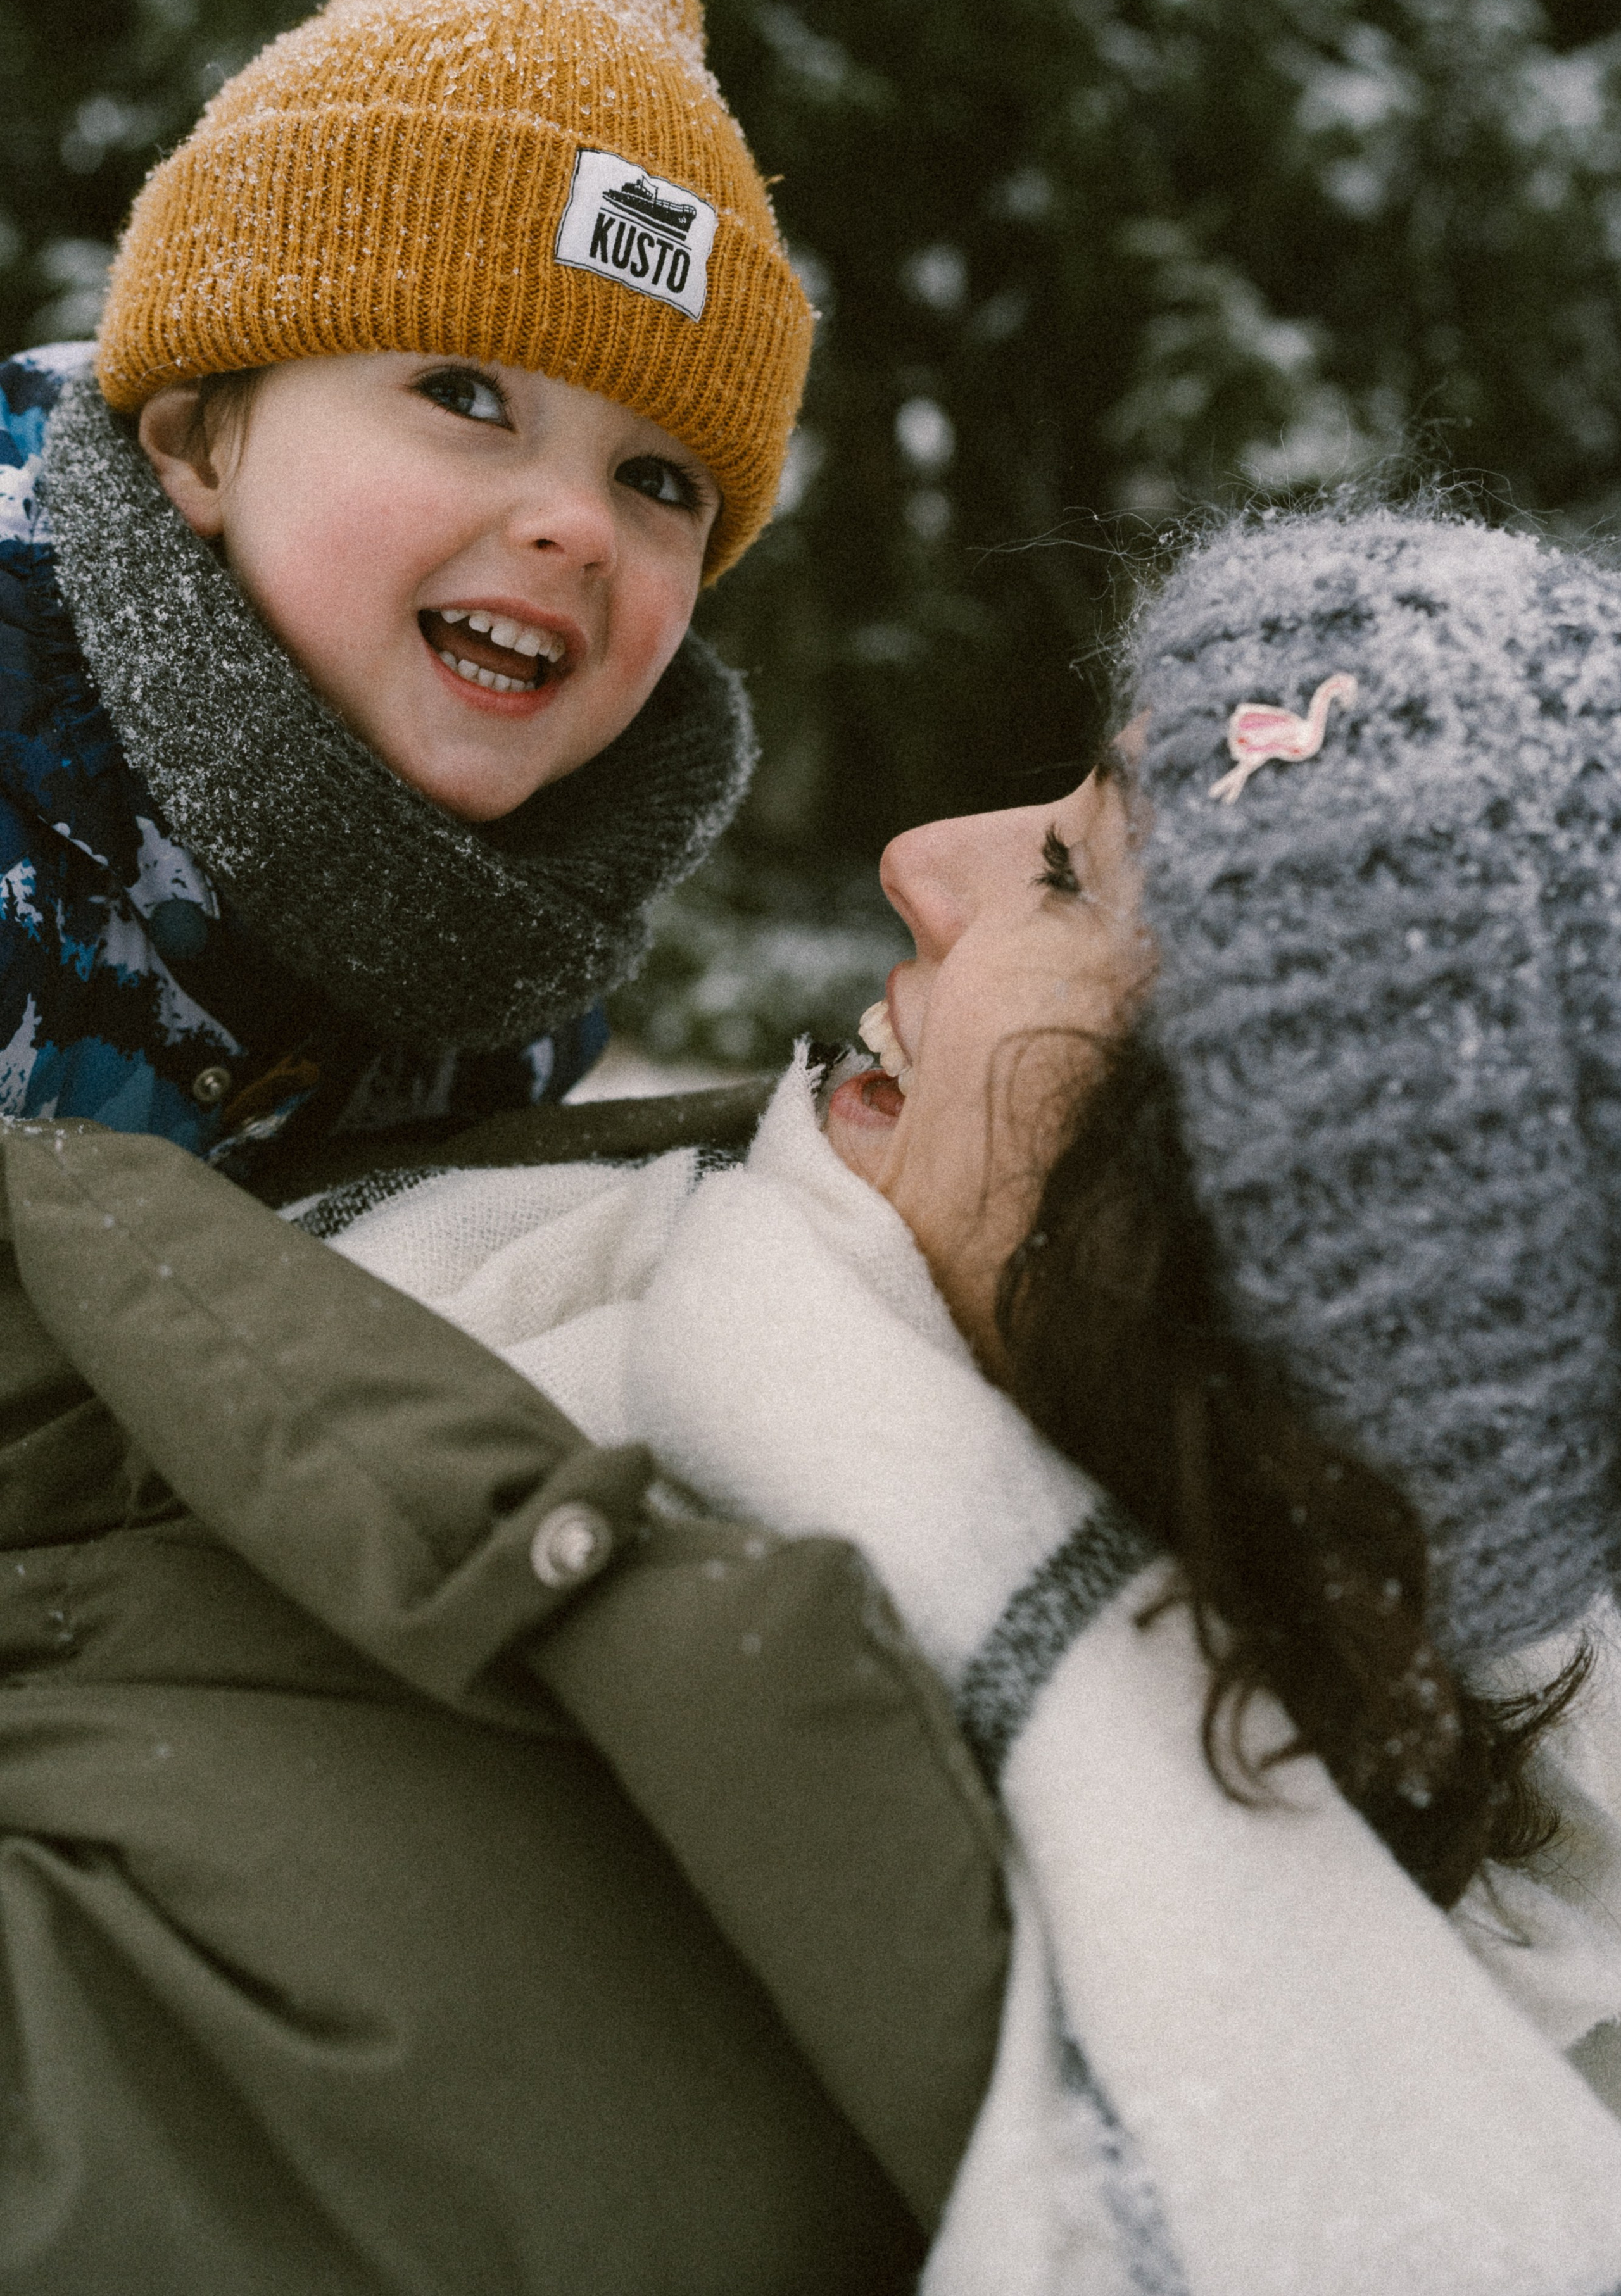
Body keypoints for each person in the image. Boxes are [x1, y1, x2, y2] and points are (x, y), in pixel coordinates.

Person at [6, 500, 1621, 2294]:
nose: (920, 859)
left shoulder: (506, 1998)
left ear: (1237, 1248)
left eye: (1070, 874)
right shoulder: (690, 1284)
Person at [0, 0, 809, 1170]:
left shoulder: (518, 993)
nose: (580, 527)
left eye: (659, 482)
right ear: (194, 444)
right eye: (465, 396)